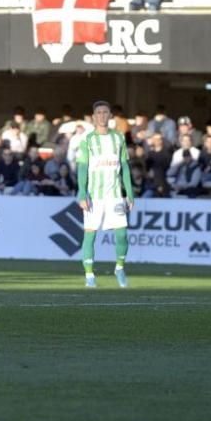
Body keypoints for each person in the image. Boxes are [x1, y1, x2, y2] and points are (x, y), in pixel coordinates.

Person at [75, 101, 135, 288]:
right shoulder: (87, 139)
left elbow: (124, 166)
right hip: (94, 196)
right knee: (90, 235)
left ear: (110, 116)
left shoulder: (119, 138)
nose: (101, 115)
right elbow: (82, 167)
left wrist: (130, 193)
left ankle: (119, 268)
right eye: (98, 113)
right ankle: (90, 275)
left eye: (105, 112)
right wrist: (82, 193)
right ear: (93, 117)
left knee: (122, 235)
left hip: (115, 195)